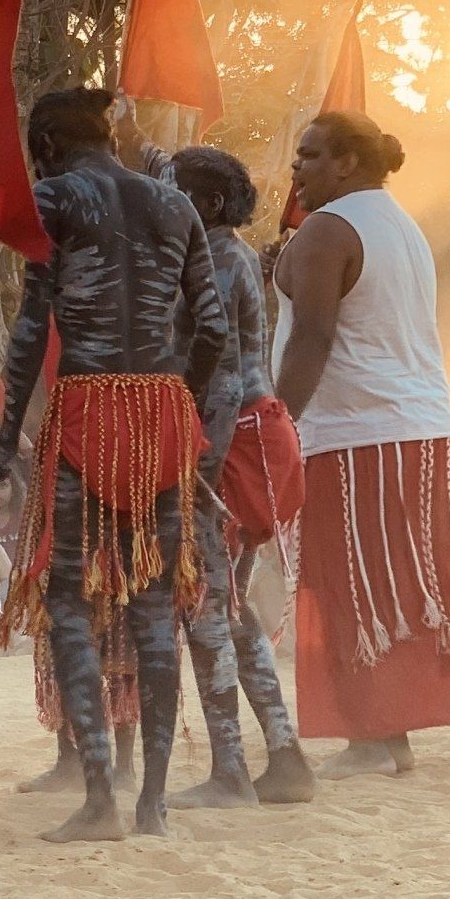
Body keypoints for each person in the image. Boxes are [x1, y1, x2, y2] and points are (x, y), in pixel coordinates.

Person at [0, 87, 227, 843]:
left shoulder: (52, 199)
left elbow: (31, 330)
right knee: (156, 604)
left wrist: (1, 440)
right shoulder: (174, 205)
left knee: (69, 603)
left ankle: (99, 798)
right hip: (159, 410)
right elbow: (213, 328)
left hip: (87, 403)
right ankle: (151, 802)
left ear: (48, 143)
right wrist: (178, 404)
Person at [273, 112, 450, 777]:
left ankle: (375, 740)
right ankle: (387, 736)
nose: (297, 168)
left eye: (309, 155)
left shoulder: (327, 230)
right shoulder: (398, 225)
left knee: (353, 585)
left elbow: (312, 336)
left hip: (357, 436)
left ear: (347, 163)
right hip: (423, 431)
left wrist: (275, 424)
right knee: (398, 585)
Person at [145, 142, 314, 809]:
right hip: (254, 435)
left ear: (208, 204)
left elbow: (216, 372)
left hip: (232, 441)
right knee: (228, 606)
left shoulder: (217, 260)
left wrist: (197, 475)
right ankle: (283, 753)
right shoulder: (228, 257)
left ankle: (230, 771)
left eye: (173, 191)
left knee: (207, 607)